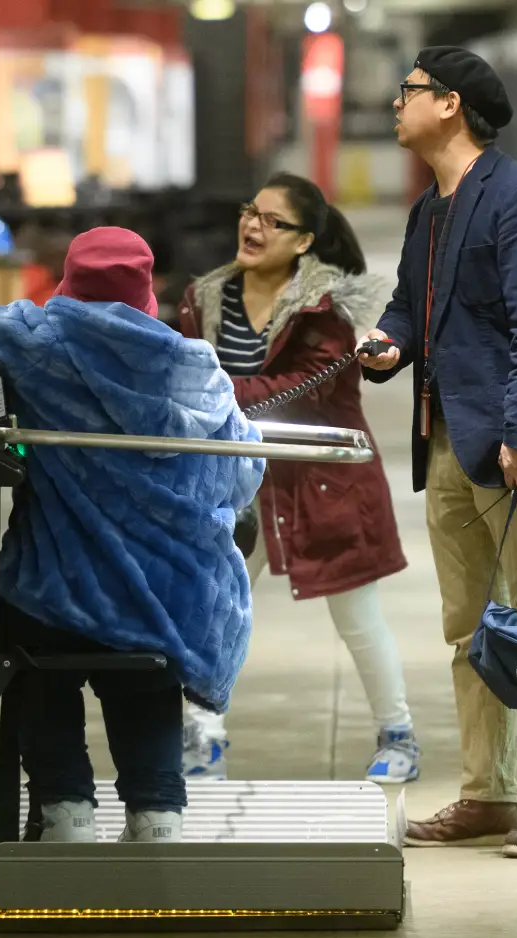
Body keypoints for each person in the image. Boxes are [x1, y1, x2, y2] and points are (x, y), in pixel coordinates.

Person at [0, 227, 264, 843]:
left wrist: (27, 317)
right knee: (146, 679)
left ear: (69, 283)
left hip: (55, 590)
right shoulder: (196, 369)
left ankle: (65, 811)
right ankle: (158, 814)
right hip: (168, 599)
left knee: (35, 665)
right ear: (147, 292)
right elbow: (240, 480)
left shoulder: (34, 347)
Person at [359, 47, 517, 858]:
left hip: (511, 448)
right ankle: (488, 793)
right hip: (448, 448)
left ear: (451, 104)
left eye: (410, 93)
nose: (397, 105)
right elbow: (407, 307)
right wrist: (389, 345)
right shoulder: (434, 208)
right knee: (469, 628)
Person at [176, 173, 420, 784]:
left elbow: (302, 394)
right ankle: (202, 734)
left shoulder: (324, 312)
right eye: (249, 212)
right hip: (231, 487)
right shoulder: (205, 299)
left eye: (272, 221)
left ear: (305, 240)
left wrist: (216, 398)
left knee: (357, 618)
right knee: (211, 610)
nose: (252, 227)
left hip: (322, 485)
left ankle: (400, 736)